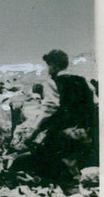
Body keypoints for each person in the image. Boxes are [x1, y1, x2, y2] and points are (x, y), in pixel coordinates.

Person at [9, 50, 98, 182]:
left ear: (54, 66)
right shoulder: (83, 81)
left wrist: (33, 132)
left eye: (49, 65)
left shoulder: (53, 82)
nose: (48, 69)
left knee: (41, 159)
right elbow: (95, 104)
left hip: (62, 134)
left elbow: (49, 110)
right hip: (85, 133)